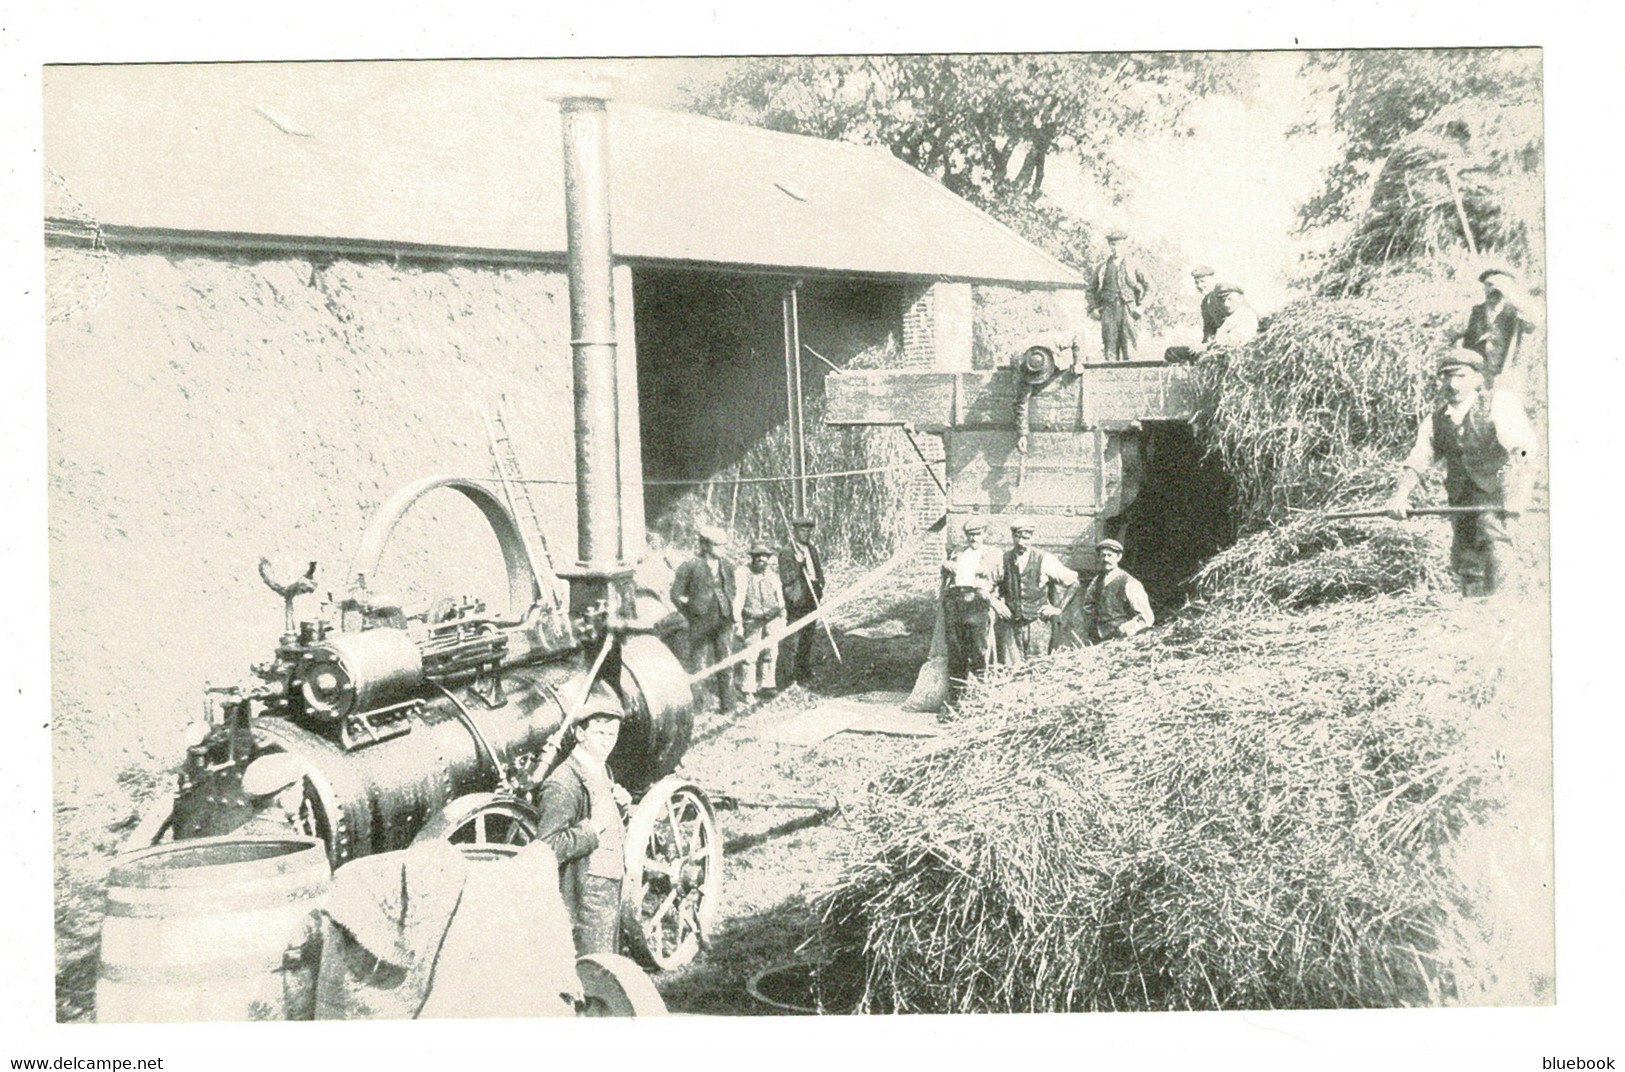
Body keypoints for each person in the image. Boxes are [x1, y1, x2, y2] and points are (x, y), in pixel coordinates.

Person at [1385, 348, 1537, 597]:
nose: (1453, 384)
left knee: (1495, 546)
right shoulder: (1436, 420)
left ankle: (1503, 608)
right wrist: (1400, 496)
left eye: (1461, 376)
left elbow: (1523, 450)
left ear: (1478, 378)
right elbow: (1419, 459)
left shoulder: (1498, 405)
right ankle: (1473, 613)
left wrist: (1519, 491)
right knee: (1465, 554)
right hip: (1461, 500)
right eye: (1447, 377)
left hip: (1496, 496)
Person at [534, 693, 632, 958]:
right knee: (591, 970)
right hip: (585, 895)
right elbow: (546, 848)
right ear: (579, 733)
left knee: (607, 966)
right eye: (599, 732)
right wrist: (591, 829)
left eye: (612, 735)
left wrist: (619, 808)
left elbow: (601, 815)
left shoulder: (599, 769)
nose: (606, 742)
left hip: (609, 887)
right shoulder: (563, 783)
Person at [670, 525, 737, 712]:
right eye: (718, 545)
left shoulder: (727, 566)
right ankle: (698, 707)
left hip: (724, 619)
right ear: (706, 546)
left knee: (726, 661)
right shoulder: (690, 566)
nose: (723, 549)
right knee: (699, 665)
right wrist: (690, 611)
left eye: (723, 545)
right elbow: (675, 595)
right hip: (700, 621)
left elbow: (732, 589)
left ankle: (728, 705)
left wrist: (731, 611)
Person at [941, 517, 1009, 699]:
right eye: (970, 535)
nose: (973, 539)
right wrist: (946, 566)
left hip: (978, 603)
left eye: (977, 535)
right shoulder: (958, 553)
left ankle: (978, 695)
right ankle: (956, 696)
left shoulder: (994, 554)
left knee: (979, 649)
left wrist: (992, 599)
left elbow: (1000, 580)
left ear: (984, 534)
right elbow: (947, 579)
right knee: (955, 649)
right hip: (956, 603)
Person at [995, 519, 1079, 665]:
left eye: (1025, 538)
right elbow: (985, 586)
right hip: (1011, 625)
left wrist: (1058, 608)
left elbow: (1074, 583)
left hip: (1038, 623)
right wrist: (996, 603)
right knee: (1011, 668)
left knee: (1038, 665)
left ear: (1032, 538)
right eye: (1017, 537)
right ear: (1012, 537)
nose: (1021, 542)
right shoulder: (1003, 559)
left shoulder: (1044, 559)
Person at [1464, 267, 1539, 384]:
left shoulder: (1516, 312)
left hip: (1509, 373)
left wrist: (1511, 296)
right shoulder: (1478, 311)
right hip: (1482, 372)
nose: (1492, 289)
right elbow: (1468, 343)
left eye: (1497, 285)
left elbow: (1535, 322)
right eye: (1488, 285)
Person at [733, 541, 785, 703]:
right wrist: (738, 623)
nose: (762, 559)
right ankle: (748, 690)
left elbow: (780, 597)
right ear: (753, 557)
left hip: (772, 619)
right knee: (750, 656)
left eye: (765, 556)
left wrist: (783, 617)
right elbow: (738, 599)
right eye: (758, 556)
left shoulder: (772, 575)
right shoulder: (743, 574)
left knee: (770, 652)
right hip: (752, 620)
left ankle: (767, 686)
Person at [1077, 538, 1155, 643]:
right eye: (1102, 555)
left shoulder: (1129, 583)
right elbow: (1087, 606)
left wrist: (1127, 629)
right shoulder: (1096, 581)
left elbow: (1146, 616)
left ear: (1119, 557)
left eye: (1109, 555)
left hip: (1121, 641)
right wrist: (1090, 627)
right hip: (1097, 639)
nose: (1105, 559)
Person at [778, 516, 825, 685]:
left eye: (809, 530)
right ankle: (788, 677)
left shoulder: (812, 549)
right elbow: (786, 578)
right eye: (803, 530)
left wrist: (820, 584)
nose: (806, 533)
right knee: (793, 638)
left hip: (812, 597)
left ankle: (804, 672)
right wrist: (798, 564)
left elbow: (818, 571)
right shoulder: (787, 552)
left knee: (808, 636)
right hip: (797, 599)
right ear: (795, 532)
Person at [1089, 230, 1149, 362]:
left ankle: (1130, 376)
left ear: (1125, 246)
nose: (1116, 248)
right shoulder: (1102, 267)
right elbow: (1090, 290)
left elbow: (1150, 287)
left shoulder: (1134, 265)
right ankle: (1111, 377)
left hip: (1128, 308)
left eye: (1119, 245)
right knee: (1109, 343)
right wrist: (1093, 308)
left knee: (1129, 342)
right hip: (1108, 309)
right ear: (1109, 246)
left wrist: (1142, 307)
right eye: (1113, 245)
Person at [238, 752, 317, 837]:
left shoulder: (237, 835)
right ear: (282, 800)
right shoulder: (293, 842)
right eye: (300, 792)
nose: (302, 798)